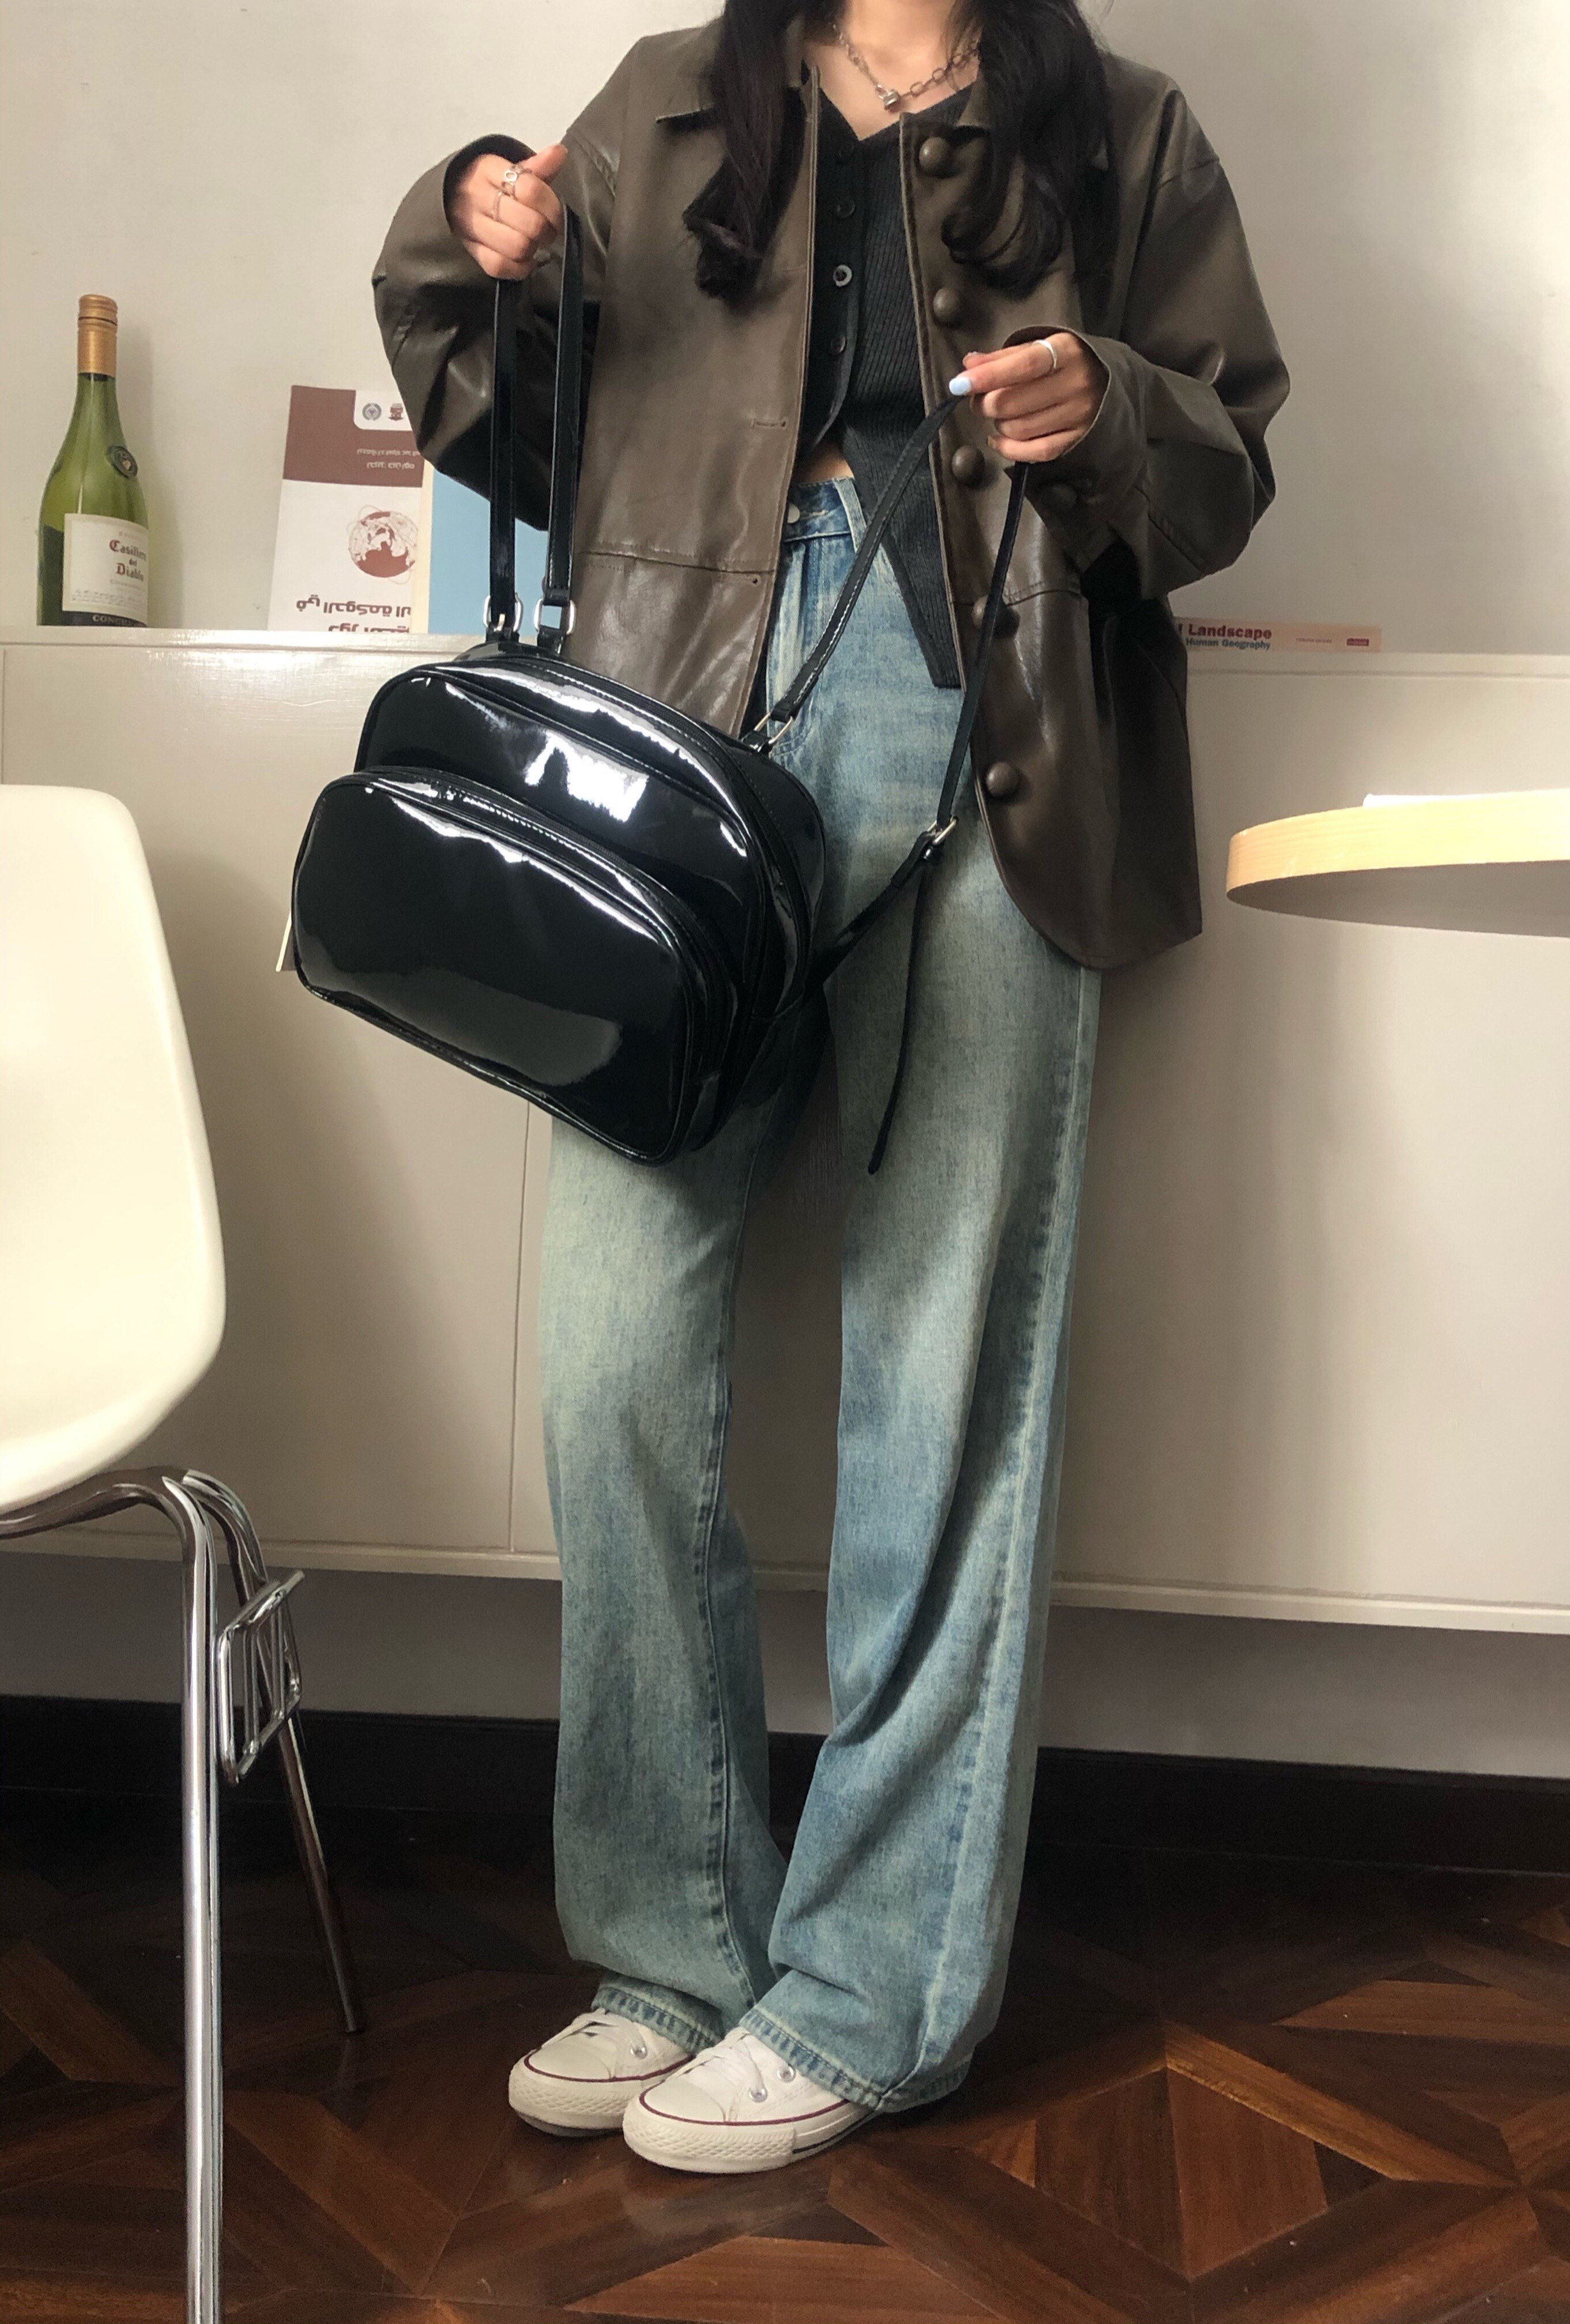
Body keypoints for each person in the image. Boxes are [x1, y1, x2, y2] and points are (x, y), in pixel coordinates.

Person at [374, 0, 1287, 2176]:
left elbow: (1224, 475)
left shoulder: (1125, 130)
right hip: (683, 738)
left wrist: (1110, 409)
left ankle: (872, 1991)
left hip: (996, 727)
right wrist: (463, 238)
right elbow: (514, 434)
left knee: (938, 1384)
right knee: (611, 1361)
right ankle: (672, 1943)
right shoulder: (667, 98)